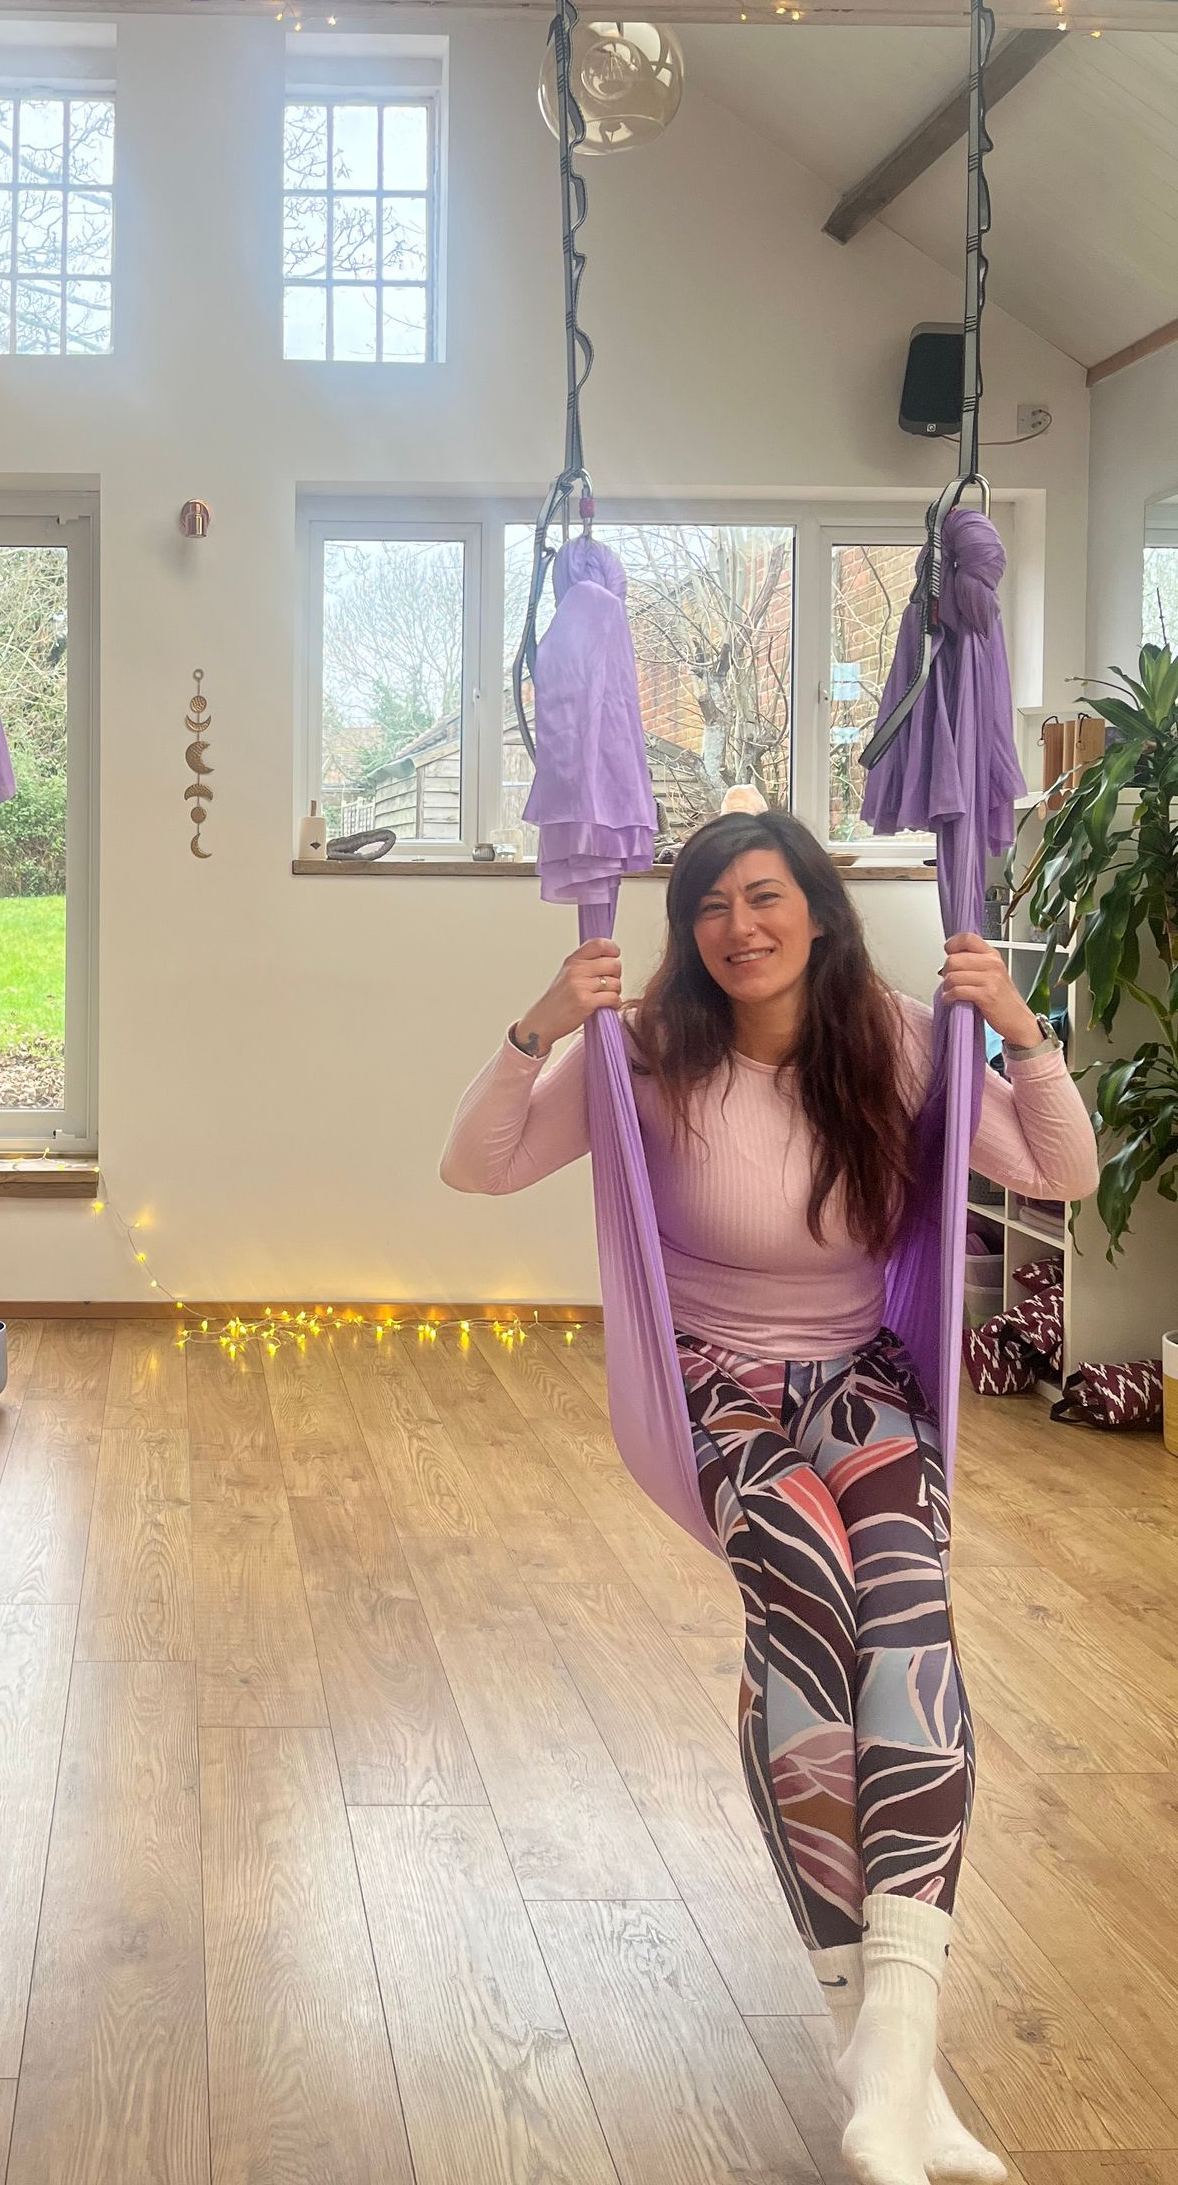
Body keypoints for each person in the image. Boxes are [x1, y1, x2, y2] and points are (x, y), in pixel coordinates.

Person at [441, 810, 1098, 2185]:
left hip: (862, 1377)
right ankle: (883, 2052)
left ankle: (897, 2059)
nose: (739, 927)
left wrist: (1021, 1036)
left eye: (765, 896)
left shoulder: (898, 1038)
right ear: (689, 933)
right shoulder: (646, 1054)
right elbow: (480, 1162)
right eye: (710, 907)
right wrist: (535, 1026)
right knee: (808, 1598)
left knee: (908, 1622)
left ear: (816, 908)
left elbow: (1060, 1173)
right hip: (717, 1389)